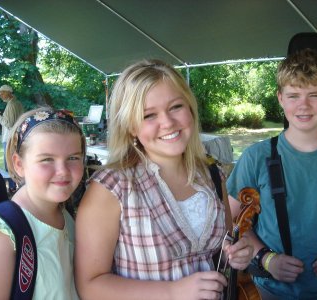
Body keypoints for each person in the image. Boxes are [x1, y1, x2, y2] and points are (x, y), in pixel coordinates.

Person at [75, 59, 254, 300]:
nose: (168, 122)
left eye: (176, 107)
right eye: (149, 115)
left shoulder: (212, 175)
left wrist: (234, 255)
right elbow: (90, 286)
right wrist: (172, 292)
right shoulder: (111, 188)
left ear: (190, 108)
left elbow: (217, 254)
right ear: (130, 127)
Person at [226, 48, 317, 299]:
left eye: (314, 95)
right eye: (294, 95)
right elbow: (232, 221)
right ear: (280, 98)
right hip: (268, 290)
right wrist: (266, 258)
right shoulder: (256, 157)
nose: (304, 105)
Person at [0, 107, 85, 299]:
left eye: (73, 158)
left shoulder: (67, 214)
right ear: (19, 164)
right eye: (47, 159)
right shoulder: (1, 239)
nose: (63, 171)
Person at [0, 84, 24, 193]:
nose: (0, 95)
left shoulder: (11, 105)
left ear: (9, 93)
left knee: (9, 165)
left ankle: (12, 188)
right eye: (0, 93)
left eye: (2, 92)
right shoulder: (17, 103)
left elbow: (9, 124)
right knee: (15, 162)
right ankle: (19, 186)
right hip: (16, 137)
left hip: (9, 138)